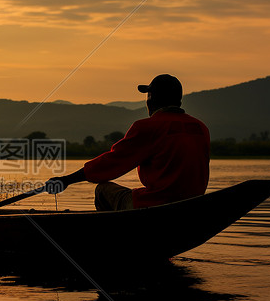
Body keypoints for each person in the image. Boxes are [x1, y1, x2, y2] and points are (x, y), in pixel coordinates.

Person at [46, 74, 209, 210]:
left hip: (156, 204)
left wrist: (66, 180)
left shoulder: (148, 127)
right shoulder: (201, 128)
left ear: (151, 98)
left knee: (102, 190)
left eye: (148, 96)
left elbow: (110, 164)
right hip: (192, 206)